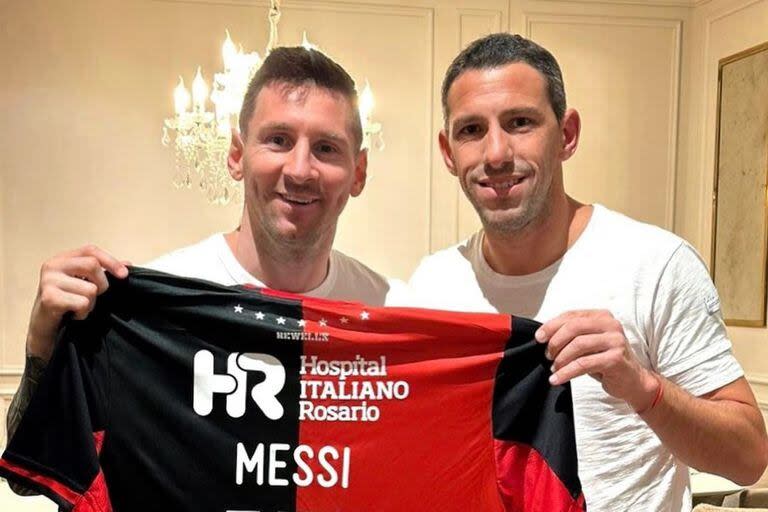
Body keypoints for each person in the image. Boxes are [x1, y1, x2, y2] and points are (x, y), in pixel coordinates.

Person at [6, 46, 409, 494]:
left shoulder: (395, 318)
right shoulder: (141, 314)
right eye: (277, 139)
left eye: (326, 148)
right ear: (237, 155)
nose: (299, 169)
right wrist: (42, 347)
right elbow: (33, 480)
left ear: (359, 171)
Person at [409, 33, 768, 511]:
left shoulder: (654, 265)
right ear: (448, 152)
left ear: (567, 135)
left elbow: (747, 459)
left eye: (520, 122)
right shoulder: (430, 287)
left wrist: (643, 388)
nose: (495, 153)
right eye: (471, 130)